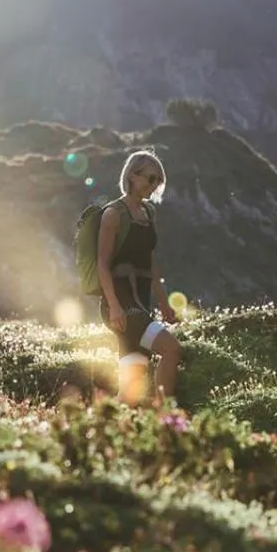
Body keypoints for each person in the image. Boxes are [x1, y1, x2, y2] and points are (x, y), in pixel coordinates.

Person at [97, 150, 181, 407]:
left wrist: (164, 303)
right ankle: (165, 419)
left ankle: (96, 432)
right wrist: (114, 307)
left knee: (131, 388)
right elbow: (102, 263)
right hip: (122, 303)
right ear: (133, 176)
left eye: (159, 181)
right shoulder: (113, 214)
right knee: (171, 349)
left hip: (142, 303)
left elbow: (151, 263)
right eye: (151, 179)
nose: (154, 186)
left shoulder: (148, 213)